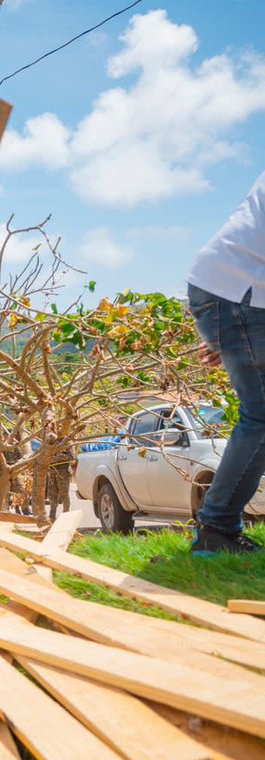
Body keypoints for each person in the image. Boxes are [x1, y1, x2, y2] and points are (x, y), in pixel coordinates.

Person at [187, 168, 265, 554]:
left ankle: (216, 527)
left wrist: (232, 334)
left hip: (231, 293)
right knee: (262, 416)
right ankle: (216, 528)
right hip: (242, 295)